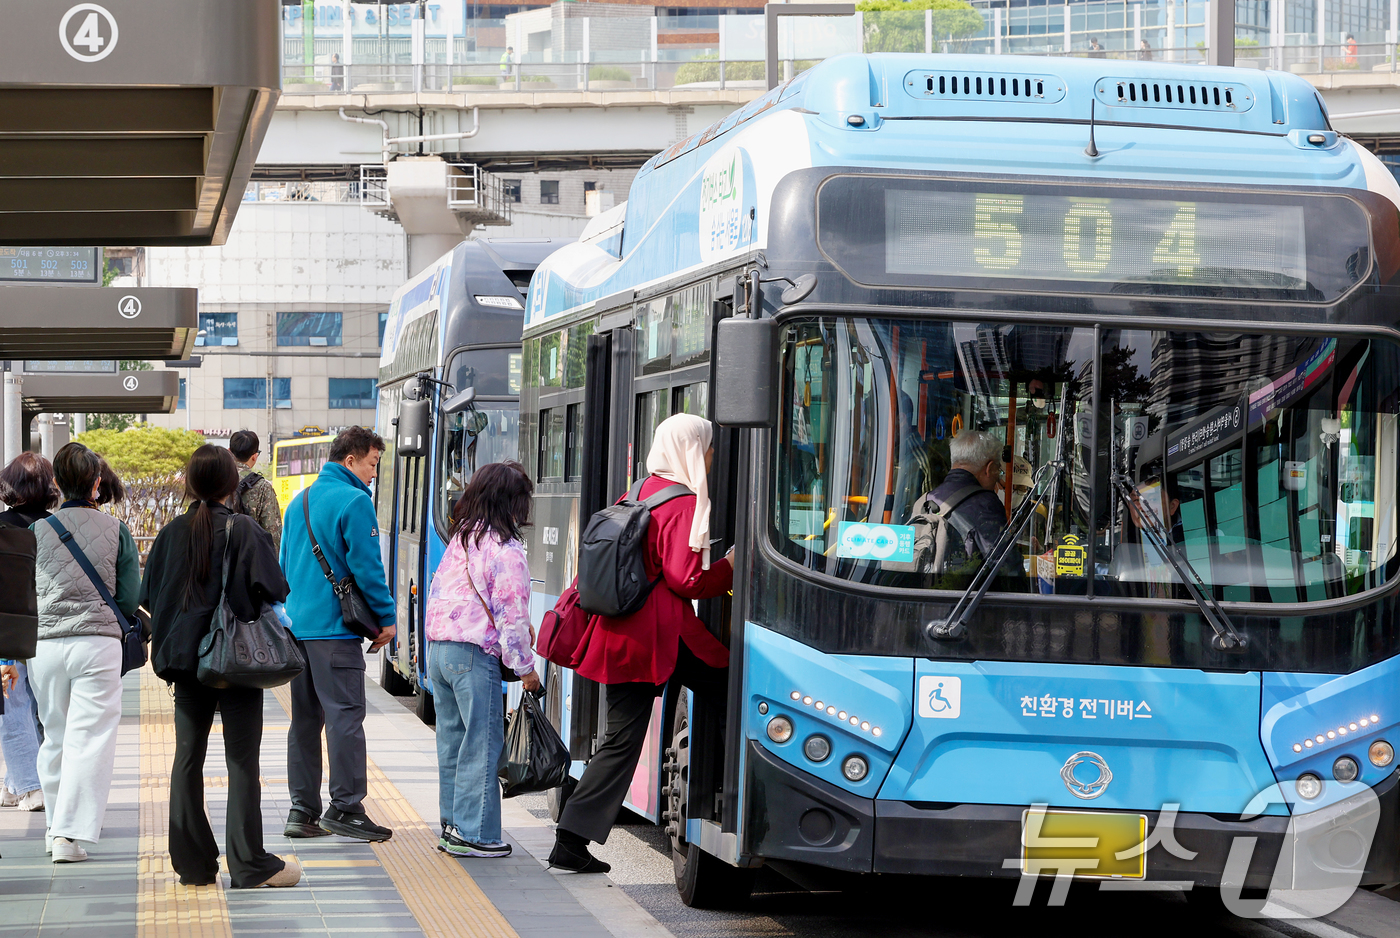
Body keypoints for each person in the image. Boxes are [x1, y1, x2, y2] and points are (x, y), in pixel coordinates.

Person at [551, 414, 732, 874]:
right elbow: (686, 578)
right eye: (707, 447)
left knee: (621, 738)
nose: (711, 456)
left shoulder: (638, 491)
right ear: (692, 449)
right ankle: (570, 839)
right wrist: (731, 567)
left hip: (618, 635)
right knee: (732, 689)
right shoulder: (685, 502)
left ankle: (570, 838)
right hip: (656, 636)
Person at [139, 445, 300, 888]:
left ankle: (193, 865)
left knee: (187, 759)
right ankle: (249, 865)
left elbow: (150, 596)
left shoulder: (171, 533)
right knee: (242, 762)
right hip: (236, 663)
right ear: (232, 483)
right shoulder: (244, 529)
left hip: (185, 665)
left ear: (190, 484)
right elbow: (275, 586)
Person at [279, 427, 396, 842]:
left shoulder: (299, 503)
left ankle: (302, 810)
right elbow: (368, 569)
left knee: (305, 722)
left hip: (297, 630)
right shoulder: (355, 502)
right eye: (372, 463)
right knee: (345, 717)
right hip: (334, 632)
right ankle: (346, 808)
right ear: (350, 460)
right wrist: (386, 617)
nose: (373, 473)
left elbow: (284, 565)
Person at [27, 443, 140, 863]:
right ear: (96, 482)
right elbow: (129, 598)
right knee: (89, 738)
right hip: (97, 644)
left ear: (57, 482)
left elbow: (23, 593)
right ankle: (68, 836)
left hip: (44, 645)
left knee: (54, 734)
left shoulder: (37, 532)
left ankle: (55, 828)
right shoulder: (117, 530)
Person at [425, 461, 541, 859]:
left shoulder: (462, 539)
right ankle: (475, 834)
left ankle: (452, 827)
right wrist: (526, 671)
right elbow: (511, 618)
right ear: (511, 503)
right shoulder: (505, 549)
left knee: (452, 744)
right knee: (481, 744)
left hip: (439, 651)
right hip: (474, 655)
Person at [0, 452, 56, 814]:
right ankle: (15, 782)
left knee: (12, 705)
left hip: (7, 630)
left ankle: (31, 787)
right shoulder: (57, 527)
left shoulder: (1, 526)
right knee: (39, 707)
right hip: (49, 628)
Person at [927, 430, 1025, 584]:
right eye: (998, 471)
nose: (997, 478)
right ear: (989, 468)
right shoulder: (985, 504)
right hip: (969, 603)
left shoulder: (928, 499)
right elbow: (1006, 568)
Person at [230, 430, 282, 550]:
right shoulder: (262, 487)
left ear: (229, 451)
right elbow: (274, 537)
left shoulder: (216, 479)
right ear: (254, 456)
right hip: (249, 561)